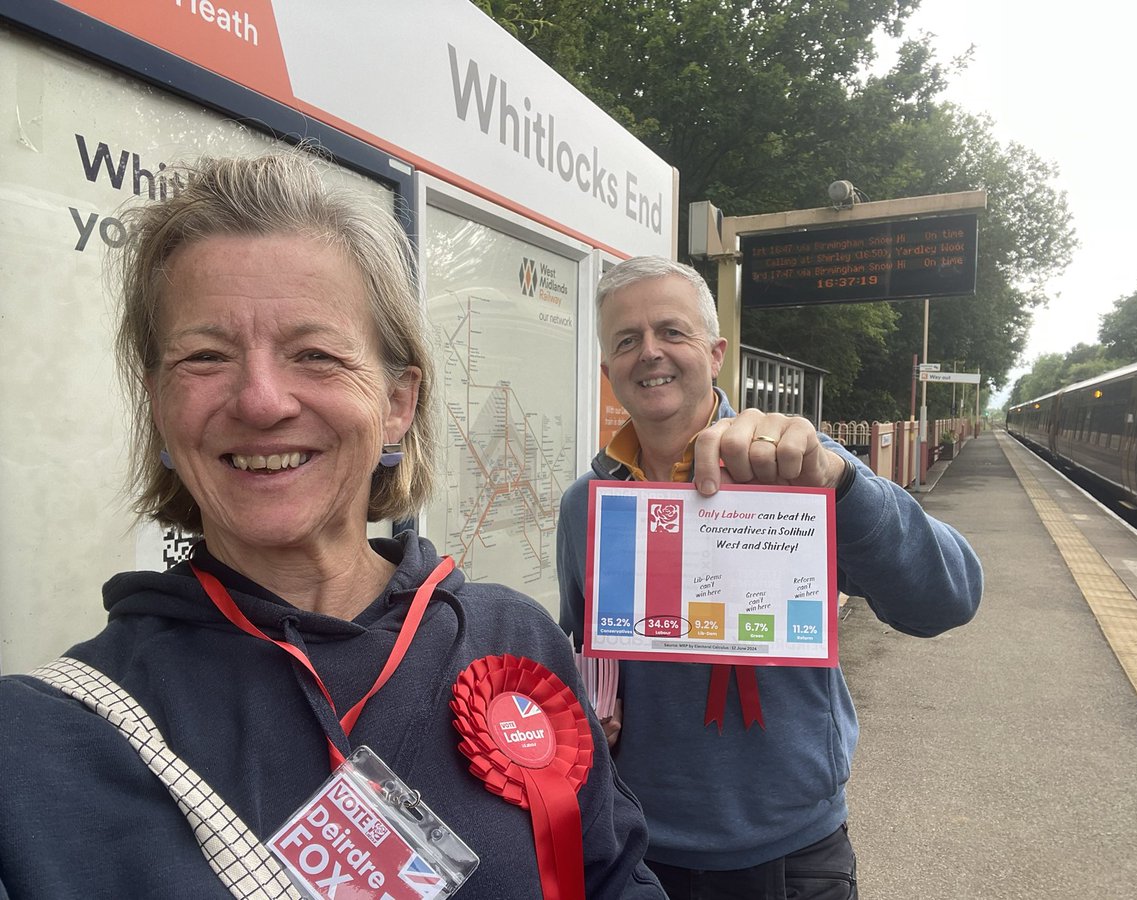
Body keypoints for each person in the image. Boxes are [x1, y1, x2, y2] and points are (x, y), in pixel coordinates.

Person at [0, 153, 665, 899]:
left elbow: (612, 877)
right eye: (205, 356)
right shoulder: (44, 743)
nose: (259, 401)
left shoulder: (512, 639)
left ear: (397, 403)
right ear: (158, 403)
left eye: (314, 354)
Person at [556, 256, 984, 899]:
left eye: (671, 332)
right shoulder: (587, 503)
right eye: (626, 340)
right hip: (632, 850)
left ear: (716, 353)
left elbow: (948, 599)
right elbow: (583, 646)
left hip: (792, 856)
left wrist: (844, 486)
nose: (649, 353)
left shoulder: (801, 470)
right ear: (607, 371)